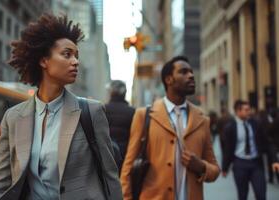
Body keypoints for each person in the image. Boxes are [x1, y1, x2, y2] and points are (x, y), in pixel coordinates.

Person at [0, 14, 122, 200]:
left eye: (76, 56)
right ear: (44, 61)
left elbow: (110, 177)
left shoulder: (92, 111)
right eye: (67, 54)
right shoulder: (13, 118)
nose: (75, 61)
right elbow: (1, 183)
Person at [120, 56, 220, 200]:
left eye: (191, 72)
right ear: (169, 80)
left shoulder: (202, 120)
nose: (191, 76)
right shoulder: (144, 116)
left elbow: (215, 169)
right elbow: (128, 168)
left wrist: (201, 167)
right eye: (183, 72)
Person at [221, 100, 272, 200]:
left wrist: (274, 160)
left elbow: (267, 142)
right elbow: (227, 149)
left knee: (261, 194)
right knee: (242, 196)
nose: (249, 112)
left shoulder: (256, 123)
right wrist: (225, 168)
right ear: (238, 111)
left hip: (256, 164)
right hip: (240, 164)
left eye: (249, 109)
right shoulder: (230, 127)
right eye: (246, 110)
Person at [105, 80, 135, 170]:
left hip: (107, 156)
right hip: (126, 157)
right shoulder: (132, 112)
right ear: (125, 93)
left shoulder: (103, 109)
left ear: (110, 92)